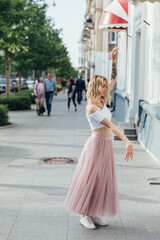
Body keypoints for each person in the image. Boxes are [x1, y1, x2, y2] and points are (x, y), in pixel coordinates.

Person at [64, 47, 133, 230]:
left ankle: (94, 212)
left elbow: (114, 79)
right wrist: (127, 141)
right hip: (95, 146)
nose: (106, 87)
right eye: (102, 85)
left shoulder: (103, 100)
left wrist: (114, 60)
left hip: (106, 145)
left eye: (105, 85)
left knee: (102, 179)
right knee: (91, 179)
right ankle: (84, 214)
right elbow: (111, 126)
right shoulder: (92, 108)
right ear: (95, 87)